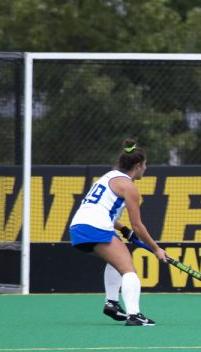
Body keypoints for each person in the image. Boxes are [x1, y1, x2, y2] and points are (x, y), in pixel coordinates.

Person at [69, 139, 164, 326]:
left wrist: (123, 229)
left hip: (78, 228)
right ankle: (134, 315)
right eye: (145, 165)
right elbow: (138, 225)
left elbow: (103, 209)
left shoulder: (108, 177)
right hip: (97, 227)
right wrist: (156, 249)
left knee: (117, 259)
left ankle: (112, 303)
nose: (145, 168)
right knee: (129, 270)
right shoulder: (130, 188)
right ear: (137, 166)